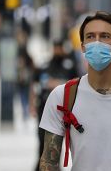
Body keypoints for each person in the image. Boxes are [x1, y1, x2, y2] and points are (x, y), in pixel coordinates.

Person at [38, 11, 111, 170]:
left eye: (104, 36)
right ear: (82, 47)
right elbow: (48, 163)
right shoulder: (62, 96)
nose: (97, 42)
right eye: (90, 36)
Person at [31, 39, 79, 171]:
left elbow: (77, 84)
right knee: (42, 140)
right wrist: (32, 105)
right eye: (55, 48)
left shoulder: (69, 66)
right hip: (44, 108)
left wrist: (57, 83)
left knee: (57, 141)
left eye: (59, 48)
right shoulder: (45, 65)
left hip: (63, 111)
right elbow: (34, 84)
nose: (57, 51)